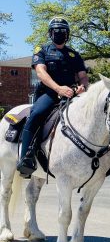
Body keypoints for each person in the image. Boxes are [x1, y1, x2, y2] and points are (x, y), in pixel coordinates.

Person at [16, 17, 89, 177]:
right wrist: (58, 88)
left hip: (72, 94)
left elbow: (83, 75)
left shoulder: (74, 54)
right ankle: (25, 159)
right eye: (56, 31)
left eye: (63, 31)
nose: (59, 34)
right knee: (36, 114)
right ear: (50, 33)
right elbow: (41, 72)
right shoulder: (42, 50)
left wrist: (83, 86)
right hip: (49, 93)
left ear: (68, 34)